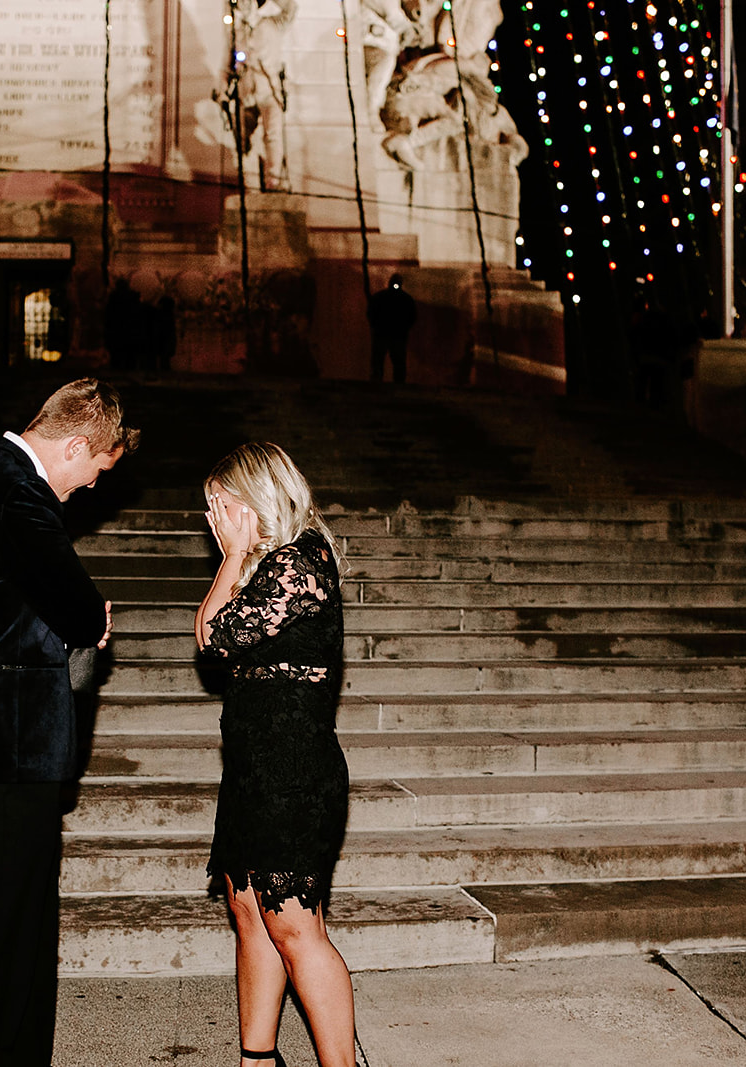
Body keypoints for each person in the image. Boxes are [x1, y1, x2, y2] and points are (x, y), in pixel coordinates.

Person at [0, 379, 139, 1066]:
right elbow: (78, 612)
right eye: (97, 469)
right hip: (4, 748)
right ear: (75, 445)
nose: (94, 487)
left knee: (18, 931)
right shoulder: (17, 492)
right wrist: (90, 614)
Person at [195, 442, 355, 1067]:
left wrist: (232, 554)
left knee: (294, 927)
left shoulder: (302, 562)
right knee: (248, 912)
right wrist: (236, 557)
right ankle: (256, 1058)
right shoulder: (264, 567)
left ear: (259, 496)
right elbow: (211, 637)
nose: (217, 521)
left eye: (223, 506)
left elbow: (221, 634)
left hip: (294, 771)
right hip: (252, 771)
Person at [367, 273, 416, 383]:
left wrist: (375, 326)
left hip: (384, 334)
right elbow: (412, 317)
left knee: (380, 362)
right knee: (396, 363)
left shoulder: (380, 297)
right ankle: (395, 385)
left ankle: (378, 383)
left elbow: (371, 313)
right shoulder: (406, 299)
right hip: (396, 335)